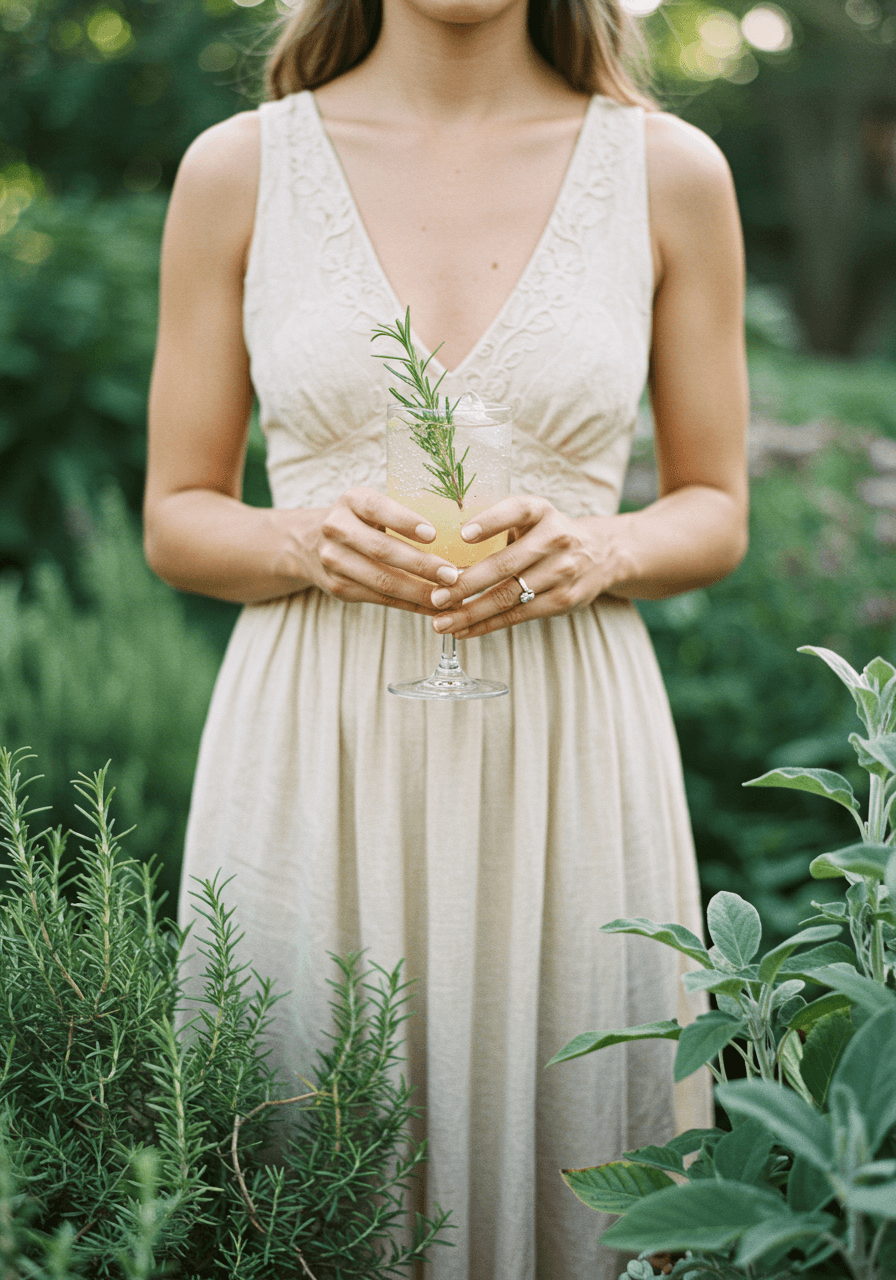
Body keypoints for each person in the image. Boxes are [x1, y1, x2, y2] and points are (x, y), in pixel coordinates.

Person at [143, 0, 749, 1272]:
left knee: (581, 1157)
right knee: (301, 1155)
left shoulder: (669, 172)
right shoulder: (239, 167)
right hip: (315, 748)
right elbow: (176, 517)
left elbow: (715, 506)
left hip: (569, 745)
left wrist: (608, 546)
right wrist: (302, 539)